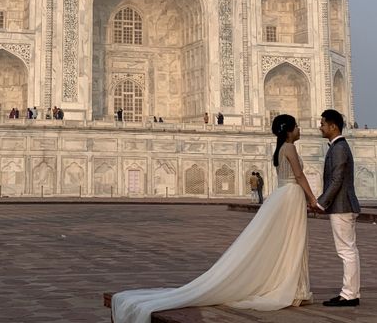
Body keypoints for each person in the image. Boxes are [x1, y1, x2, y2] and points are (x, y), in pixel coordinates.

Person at [112, 114, 317, 322]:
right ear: (289, 130)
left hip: (282, 195)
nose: (300, 129)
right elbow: (299, 176)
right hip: (291, 195)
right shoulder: (289, 148)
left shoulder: (280, 148)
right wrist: (313, 198)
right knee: (293, 242)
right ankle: (292, 288)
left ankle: (291, 287)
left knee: (286, 242)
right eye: (297, 127)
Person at [315, 109, 361, 308]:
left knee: (346, 251)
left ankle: (349, 294)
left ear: (333, 126)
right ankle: (350, 292)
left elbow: (337, 179)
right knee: (349, 250)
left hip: (342, 206)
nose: (320, 127)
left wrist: (321, 202)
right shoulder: (337, 146)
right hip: (342, 205)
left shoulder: (339, 148)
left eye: (323, 124)